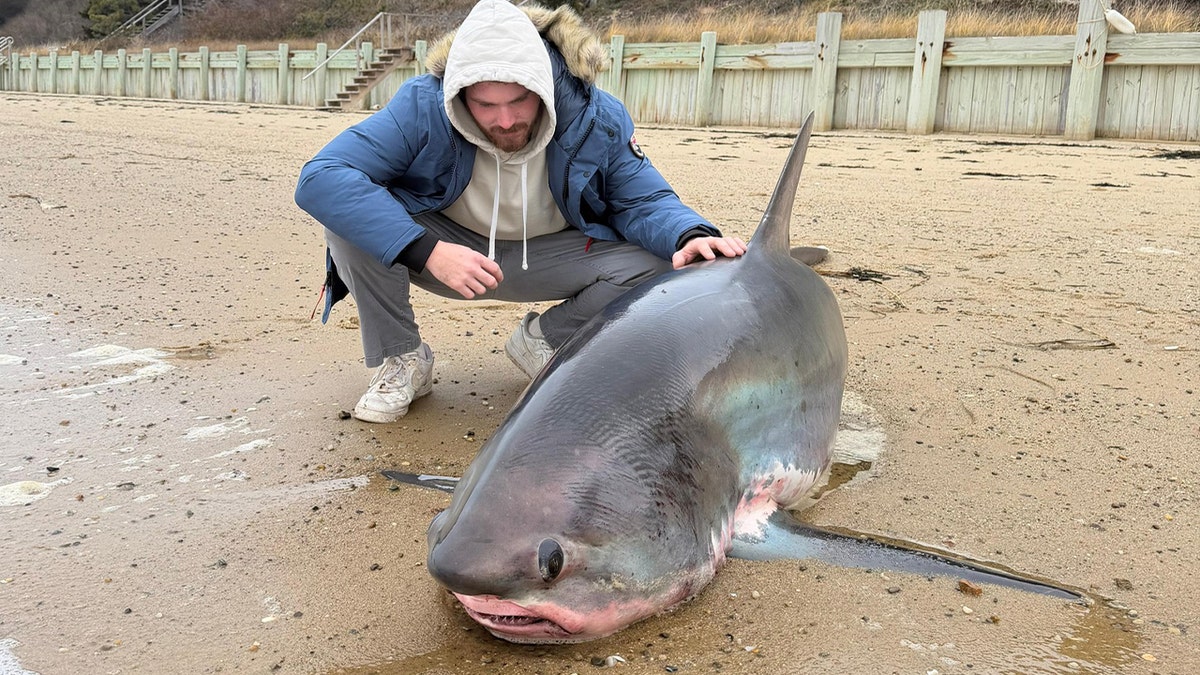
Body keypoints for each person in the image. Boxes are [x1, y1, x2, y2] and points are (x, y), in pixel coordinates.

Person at [295, 0, 746, 423]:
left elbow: (642, 199)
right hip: (448, 250)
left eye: (519, 101)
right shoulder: (421, 106)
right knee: (350, 223)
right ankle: (403, 358)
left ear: (544, 87)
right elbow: (323, 175)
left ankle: (544, 341)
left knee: (661, 260)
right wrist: (425, 249)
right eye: (486, 105)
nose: (506, 121)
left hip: (554, 254)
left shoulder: (596, 116)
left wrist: (689, 233)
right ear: (458, 94)